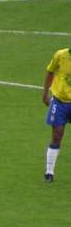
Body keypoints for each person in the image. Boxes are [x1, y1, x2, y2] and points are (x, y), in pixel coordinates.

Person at [42, 47, 71, 182]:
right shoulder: (61, 55)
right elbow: (50, 71)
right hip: (59, 102)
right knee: (57, 135)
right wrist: (45, 94)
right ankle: (49, 172)